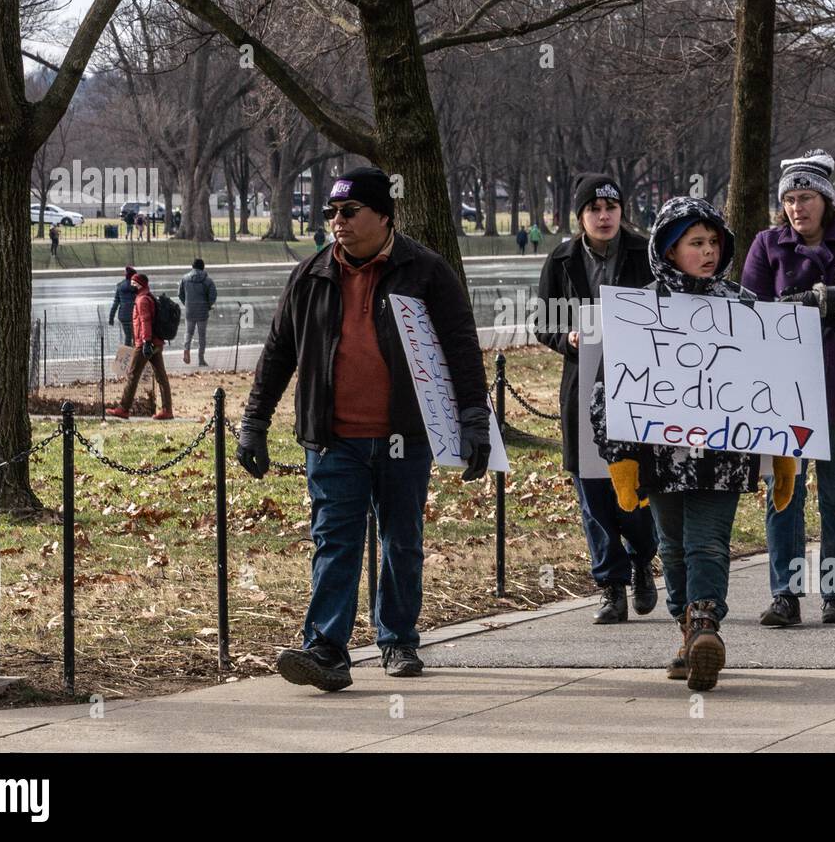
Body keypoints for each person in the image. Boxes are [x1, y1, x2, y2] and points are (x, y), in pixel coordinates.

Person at [235, 166, 490, 692]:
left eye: (349, 212)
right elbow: (278, 352)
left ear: (384, 215)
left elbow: (461, 347)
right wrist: (254, 423)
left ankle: (397, 638)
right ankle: (326, 648)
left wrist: (473, 420)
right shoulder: (309, 276)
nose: (338, 222)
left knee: (401, 539)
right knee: (335, 540)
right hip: (333, 438)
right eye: (331, 213)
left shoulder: (425, 271)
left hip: (404, 436)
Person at [589, 197, 794, 692]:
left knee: (707, 541)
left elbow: (779, 385)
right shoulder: (640, 310)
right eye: (695, 243)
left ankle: (706, 623)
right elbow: (608, 388)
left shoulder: (744, 308)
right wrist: (619, 459)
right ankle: (686, 629)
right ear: (668, 248)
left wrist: (785, 452)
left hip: (723, 454)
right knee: (672, 546)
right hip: (661, 455)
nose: (707, 251)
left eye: (713, 242)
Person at [742, 149, 835, 627]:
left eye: (805, 197)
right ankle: (785, 594)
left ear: (825, 200)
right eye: (789, 198)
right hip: (785, 392)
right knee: (783, 493)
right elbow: (751, 308)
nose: (796, 207)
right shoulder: (768, 245)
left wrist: (827, 298)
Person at [536, 173, 659, 624]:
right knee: (592, 491)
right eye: (593, 209)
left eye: (610, 208)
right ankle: (610, 584)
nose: (603, 216)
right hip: (583, 388)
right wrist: (564, 338)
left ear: (621, 211)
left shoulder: (646, 253)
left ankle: (643, 558)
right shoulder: (562, 260)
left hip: (641, 389)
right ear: (581, 216)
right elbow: (543, 322)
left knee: (638, 488)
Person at [104, 273, 173, 420]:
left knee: (133, 375)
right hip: (156, 342)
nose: (131, 285)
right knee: (161, 377)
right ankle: (167, 410)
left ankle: (123, 408)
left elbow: (145, 321)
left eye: (134, 283)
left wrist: (146, 342)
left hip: (145, 343)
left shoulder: (142, 300)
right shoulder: (148, 296)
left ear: (140, 284)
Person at [178, 258, 218, 366]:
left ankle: (186, 349)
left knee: (188, 332)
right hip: (203, 311)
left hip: (189, 311)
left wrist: (186, 304)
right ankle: (201, 359)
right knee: (202, 336)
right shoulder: (208, 280)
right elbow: (213, 295)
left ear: (192, 267)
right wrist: (208, 305)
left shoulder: (185, 278)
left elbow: (180, 294)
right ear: (203, 267)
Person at [108, 265, 138, 346]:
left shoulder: (120, 286)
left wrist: (111, 318)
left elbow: (115, 303)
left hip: (123, 316)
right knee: (136, 337)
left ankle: (127, 355)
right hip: (134, 316)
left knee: (128, 337)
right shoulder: (136, 286)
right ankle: (136, 356)